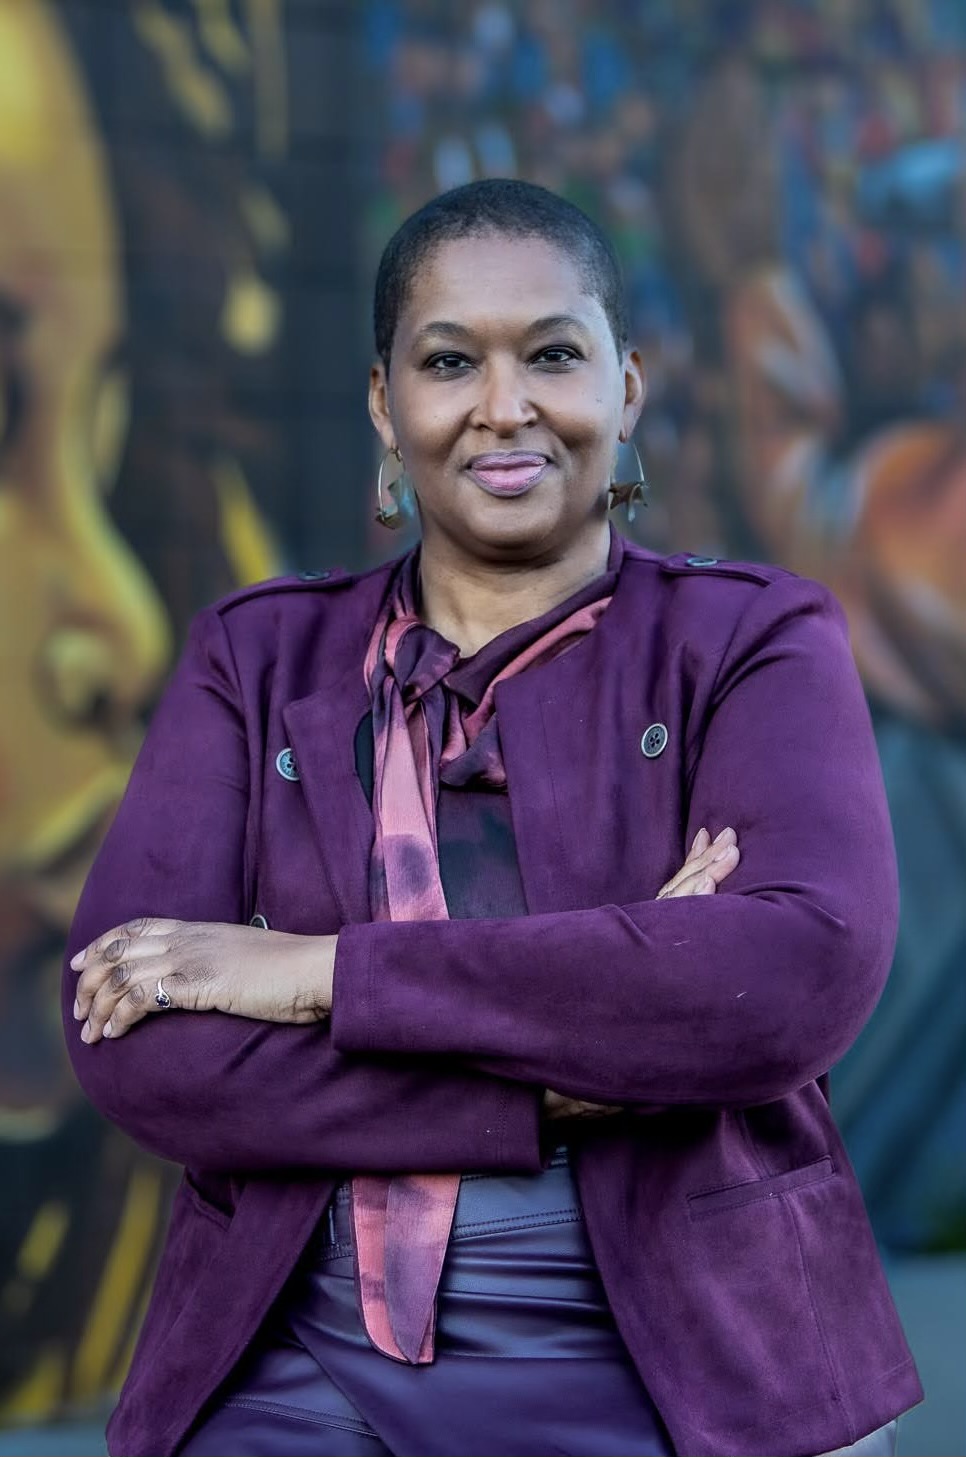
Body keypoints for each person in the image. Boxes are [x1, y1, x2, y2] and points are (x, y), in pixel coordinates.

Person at [64, 179, 921, 1457]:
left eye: (555, 355)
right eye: (451, 360)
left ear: (627, 385)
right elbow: (138, 1043)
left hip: (697, 1359)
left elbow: (790, 978)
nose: (504, 406)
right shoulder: (254, 660)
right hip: (295, 1357)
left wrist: (310, 974)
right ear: (382, 401)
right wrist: (571, 1077)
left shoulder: (752, 636)